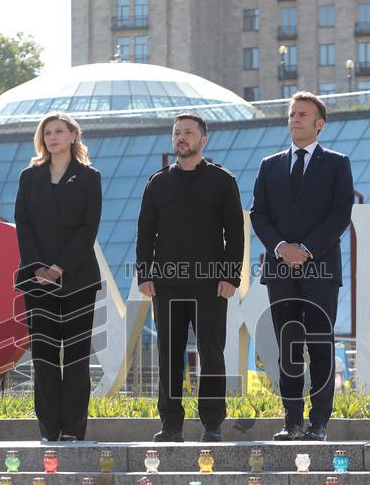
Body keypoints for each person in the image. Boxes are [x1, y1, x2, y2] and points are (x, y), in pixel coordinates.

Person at [251, 91, 354, 442]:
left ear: (319, 123)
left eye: (303, 114)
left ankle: (319, 422)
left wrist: (306, 250)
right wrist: (281, 248)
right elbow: (258, 214)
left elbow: (340, 214)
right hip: (280, 270)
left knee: (321, 344)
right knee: (288, 346)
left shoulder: (337, 163)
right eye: (292, 113)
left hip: (321, 269)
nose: (295, 119)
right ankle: (292, 421)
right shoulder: (270, 165)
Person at [136, 113, 244, 443]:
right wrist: (145, 274)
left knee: (212, 353)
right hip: (166, 285)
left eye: (188, 133)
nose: (182, 138)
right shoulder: (157, 182)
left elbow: (235, 233)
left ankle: (212, 423)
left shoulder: (223, 181)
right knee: (170, 354)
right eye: (177, 133)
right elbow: (145, 233)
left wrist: (231, 276)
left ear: (203, 140)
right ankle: (171, 425)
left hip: (211, 284)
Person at [14, 112, 102, 442]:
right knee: (45, 356)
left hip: (78, 279)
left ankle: (74, 431)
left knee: (77, 357)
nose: (52, 137)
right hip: (37, 282)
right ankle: (49, 430)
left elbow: (88, 227)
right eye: (47, 132)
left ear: (72, 136)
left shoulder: (89, 177)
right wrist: (38, 267)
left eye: (59, 131)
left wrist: (59, 268)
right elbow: (22, 223)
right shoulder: (29, 176)